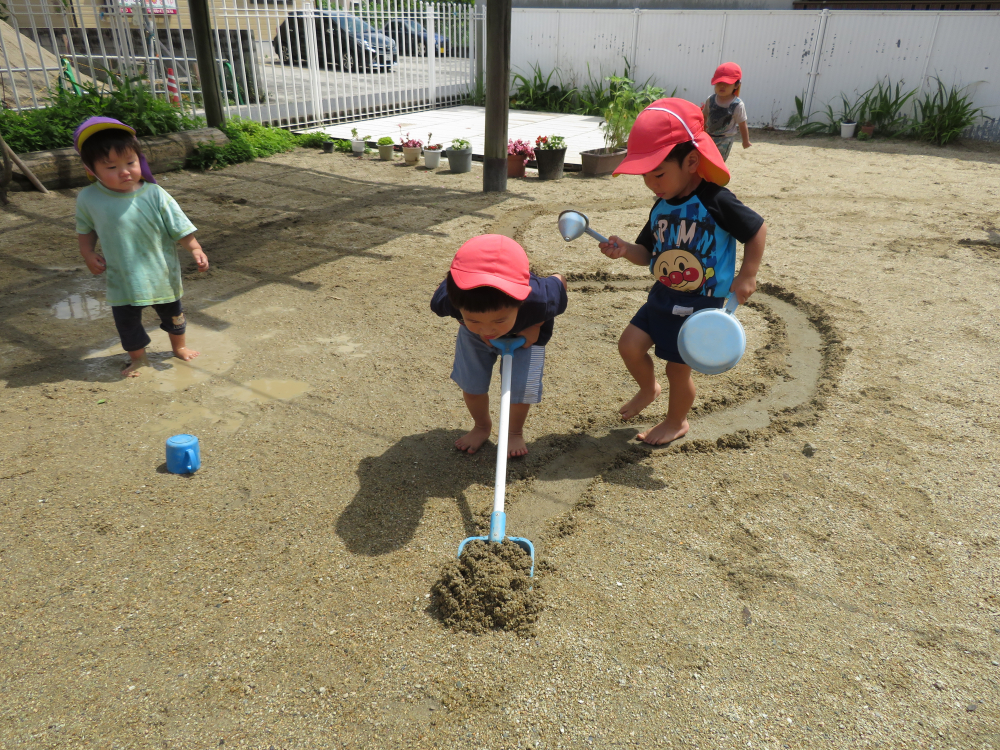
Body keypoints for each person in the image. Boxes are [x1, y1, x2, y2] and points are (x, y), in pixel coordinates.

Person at [599, 98, 767, 445]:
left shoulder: (715, 200)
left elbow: (756, 229)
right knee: (630, 346)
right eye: (645, 175)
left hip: (700, 303)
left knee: (678, 369)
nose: (651, 183)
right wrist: (625, 250)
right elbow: (647, 253)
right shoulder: (660, 205)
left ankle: (676, 421)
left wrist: (747, 274)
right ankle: (648, 389)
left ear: (691, 161)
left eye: (658, 173)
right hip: (662, 294)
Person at [73, 117, 208, 377]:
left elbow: (179, 226)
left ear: (140, 160)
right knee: (127, 323)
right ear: (91, 169)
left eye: (130, 163)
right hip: (122, 278)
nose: (124, 171)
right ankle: (138, 359)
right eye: (111, 166)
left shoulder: (155, 194)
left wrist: (195, 248)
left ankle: (179, 348)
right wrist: (87, 253)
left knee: (174, 317)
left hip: (161, 273)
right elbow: (85, 230)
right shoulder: (88, 198)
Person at [431, 234, 568, 458]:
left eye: (499, 320)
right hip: (471, 338)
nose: (488, 329)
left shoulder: (539, 300)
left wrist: (537, 323)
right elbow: (444, 293)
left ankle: (514, 432)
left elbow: (560, 280)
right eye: (476, 319)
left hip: (528, 339)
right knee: (472, 384)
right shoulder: (448, 301)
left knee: (521, 389)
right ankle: (482, 426)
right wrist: (466, 323)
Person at [701, 62, 751, 161]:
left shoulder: (737, 105)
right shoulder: (710, 100)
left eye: (727, 84)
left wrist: (745, 141)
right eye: (719, 83)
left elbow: (742, 124)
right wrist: (701, 131)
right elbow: (704, 116)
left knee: (718, 161)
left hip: (725, 139)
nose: (722, 86)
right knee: (706, 160)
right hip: (709, 136)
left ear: (736, 85)